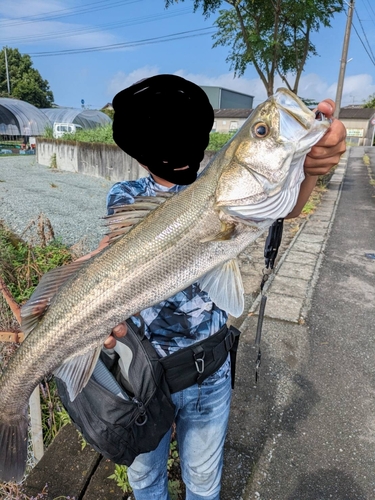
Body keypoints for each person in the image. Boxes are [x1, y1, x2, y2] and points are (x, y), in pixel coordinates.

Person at [80, 75, 346, 500]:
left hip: (209, 370)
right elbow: (118, 246)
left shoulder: (222, 183)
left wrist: (309, 166)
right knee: (146, 477)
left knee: (204, 480)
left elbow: (284, 205)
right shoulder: (126, 195)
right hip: (145, 378)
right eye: (261, 130)